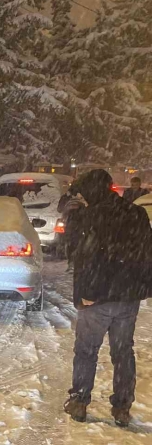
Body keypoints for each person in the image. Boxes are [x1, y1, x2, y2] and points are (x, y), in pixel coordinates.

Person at [64, 169, 152, 427]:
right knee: (123, 351)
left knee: (87, 350)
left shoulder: (87, 216)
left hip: (96, 296)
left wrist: (82, 294)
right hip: (127, 296)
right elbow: (147, 252)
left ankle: (80, 401)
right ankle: (123, 407)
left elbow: (76, 254)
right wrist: (141, 288)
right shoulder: (136, 213)